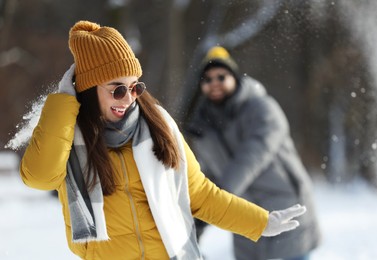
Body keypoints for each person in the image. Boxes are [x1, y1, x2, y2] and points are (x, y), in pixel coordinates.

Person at [20, 21, 306, 260]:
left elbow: (202, 195)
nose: (129, 98)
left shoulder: (159, 127)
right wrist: (62, 104)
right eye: (116, 89)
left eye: (135, 87)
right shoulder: (67, 136)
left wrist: (260, 221)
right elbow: (40, 177)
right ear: (87, 89)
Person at [185, 46, 321, 260]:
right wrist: (199, 212)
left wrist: (217, 200)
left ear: (235, 77)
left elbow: (253, 156)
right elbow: (208, 175)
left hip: (285, 209)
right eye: (207, 79)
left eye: (221, 76)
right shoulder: (204, 127)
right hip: (245, 220)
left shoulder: (262, 108)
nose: (214, 83)